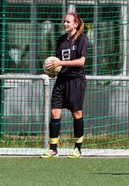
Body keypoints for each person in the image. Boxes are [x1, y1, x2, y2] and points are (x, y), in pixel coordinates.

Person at [41, 12, 88, 158]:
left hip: (76, 80)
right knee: (55, 112)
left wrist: (61, 63)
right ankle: (53, 148)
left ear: (75, 24)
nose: (65, 24)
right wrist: (52, 71)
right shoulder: (61, 40)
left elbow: (81, 62)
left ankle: (78, 149)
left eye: (68, 22)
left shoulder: (82, 39)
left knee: (76, 113)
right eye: (64, 21)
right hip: (61, 80)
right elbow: (57, 61)